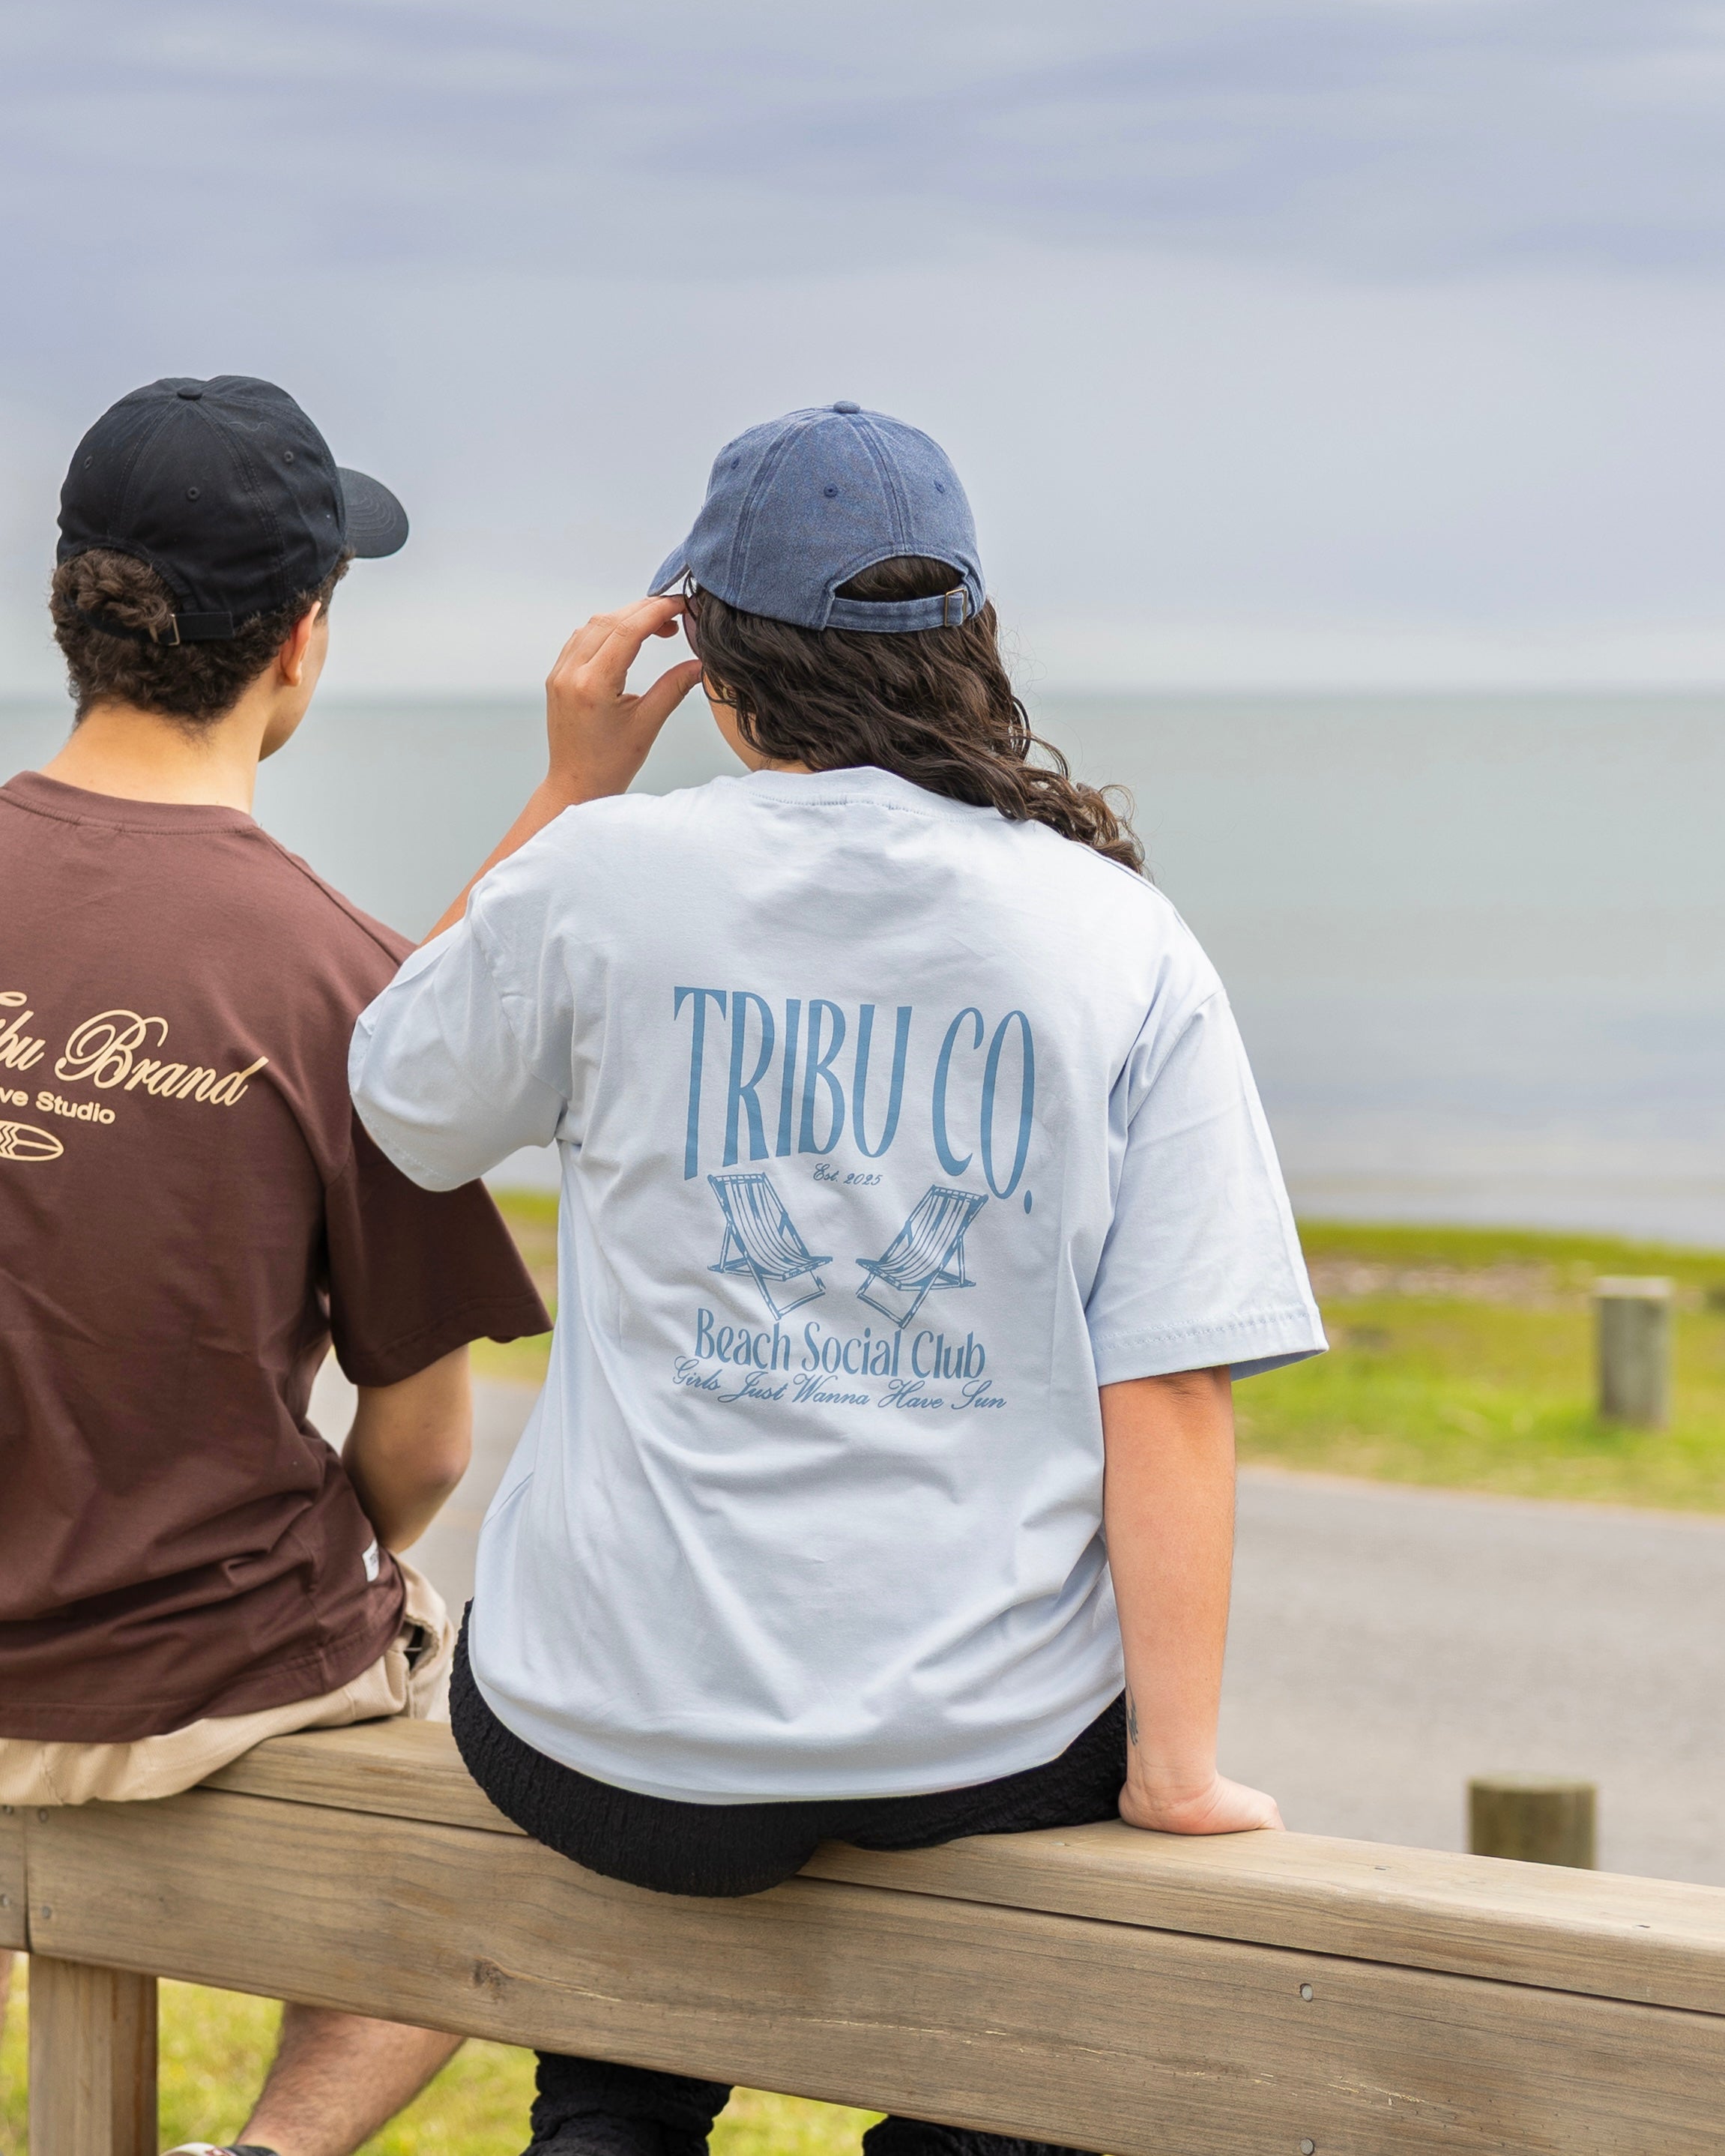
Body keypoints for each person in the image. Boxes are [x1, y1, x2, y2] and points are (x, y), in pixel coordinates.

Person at [349, 402, 1326, 2156]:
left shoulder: (602, 877)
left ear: (706, 656)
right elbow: (1170, 1378)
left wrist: (571, 786)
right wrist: (1167, 1768)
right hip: (975, 1739)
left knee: (632, 1974)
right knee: (1005, 2095)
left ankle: (607, 2117)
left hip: (604, 1728)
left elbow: (404, 1102)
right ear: (969, 648)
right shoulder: (1110, 930)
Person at [0, 376, 550, 2156]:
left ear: (70, 597)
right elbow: (422, 1450)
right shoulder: (331, 976)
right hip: (195, 1675)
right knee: (522, 1826)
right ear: (302, 640)